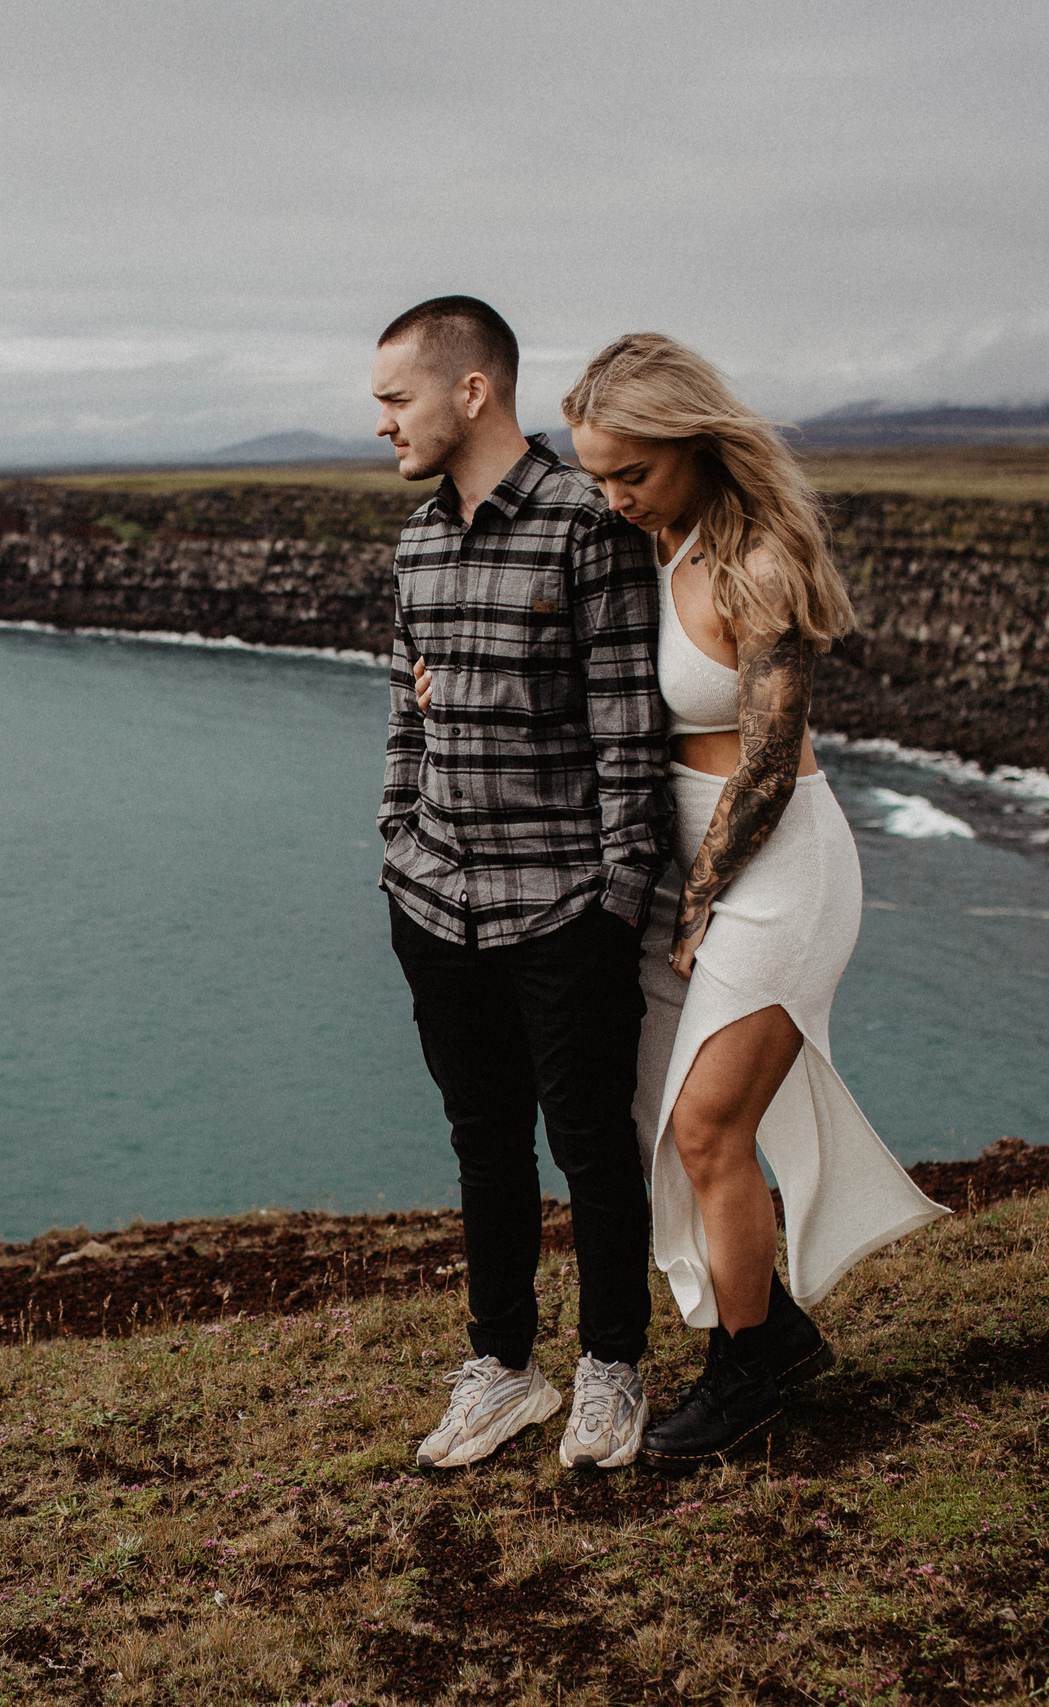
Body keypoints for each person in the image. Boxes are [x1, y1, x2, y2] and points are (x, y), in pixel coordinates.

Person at [555, 333, 949, 1474]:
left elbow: (770, 763)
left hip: (775, 868)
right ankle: (771, 1330)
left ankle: (745, 1376)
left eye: (633, 472)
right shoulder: (644, 545)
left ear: (693, 442)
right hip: (684, 865)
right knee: (654, 1118)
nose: (614, 498)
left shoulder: (757, 564)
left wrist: (697, 901)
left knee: (707, 1124)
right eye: (597, 476)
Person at [370, 296, 668, 1472]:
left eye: (396, 399)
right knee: (482, 1142)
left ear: (471, 390)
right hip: (435, 900)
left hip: (561, 906)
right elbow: (406, 714)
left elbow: (629, 734)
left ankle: (611, 1370)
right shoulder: (415, 543)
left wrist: (617, 901)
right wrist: (397, 839)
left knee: (590, 1147)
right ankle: (503, 1369)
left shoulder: (586, 526)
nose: (382, 423)